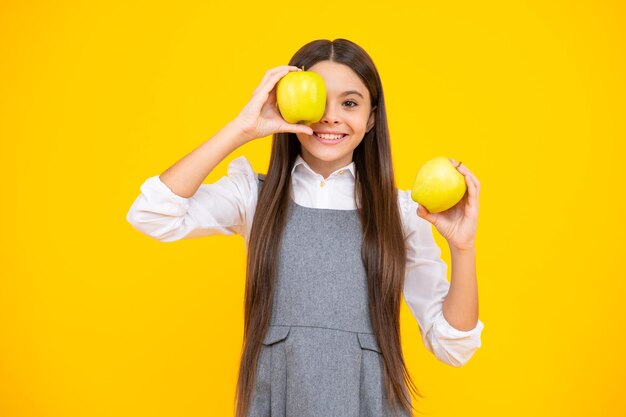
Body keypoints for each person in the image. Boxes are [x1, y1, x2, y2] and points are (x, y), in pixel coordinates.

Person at [126, 38, 485, 417]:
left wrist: (463, 249)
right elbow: (152, 212)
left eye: (349, 103)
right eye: (318, 100)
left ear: (373, 116)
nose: (331, 117)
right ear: (285, 105)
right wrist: (242, 128)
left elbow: (453, 346)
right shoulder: (254, 195)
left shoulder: (402, 212)